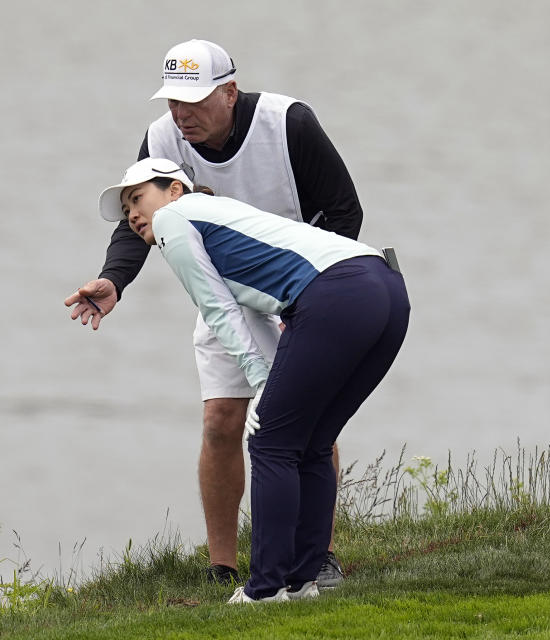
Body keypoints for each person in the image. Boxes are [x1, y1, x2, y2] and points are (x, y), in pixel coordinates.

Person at [65, 39, 363, 587]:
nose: (181, 114)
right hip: (221, 294)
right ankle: (222, 565)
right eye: (173, 101)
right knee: (220, 423)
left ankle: (317, 553)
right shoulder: (162, 138)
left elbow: (344, 211)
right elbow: (138, 216)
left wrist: (312, 295)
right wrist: (114, 280)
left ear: (229, 92)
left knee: (308, 423)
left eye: (195, 100)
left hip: (297, 293)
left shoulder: (288, 123)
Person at [97, 158, 410, 603]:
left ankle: (264, 589)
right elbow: (256, 310)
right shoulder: (220, 216)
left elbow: (216, 309)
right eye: (126, 207)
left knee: (270, 444)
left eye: (137, 197)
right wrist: (268, 376)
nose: (131, 214)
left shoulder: (173, 219)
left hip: (339, 292)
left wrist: (262, 382)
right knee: (314, 441)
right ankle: (302, 582)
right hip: (386, 287)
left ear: (174, 191)